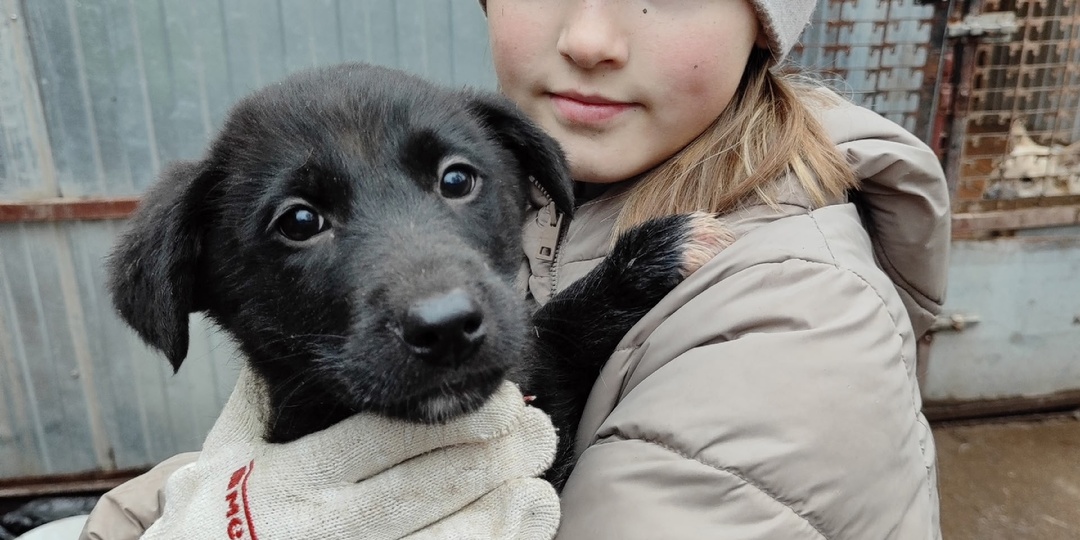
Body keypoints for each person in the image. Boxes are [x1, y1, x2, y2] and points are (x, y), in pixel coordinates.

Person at [81, 0, 949, 538]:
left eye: (455, 183)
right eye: (301, 222)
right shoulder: (550, 190)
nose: (594, 37)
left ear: (761, 28)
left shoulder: (802, 311)